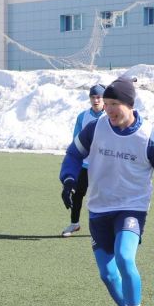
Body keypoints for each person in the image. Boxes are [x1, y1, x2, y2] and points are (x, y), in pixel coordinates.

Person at [59, 76, 154, 306]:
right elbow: (73, 154)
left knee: (125, 258)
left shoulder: (148, 137)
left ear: (130, 104)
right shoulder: (96, 128)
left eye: (116, 104)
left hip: (131, 208)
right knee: (108, 275)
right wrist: (68, 180)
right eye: (107, 103)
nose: (110, 109)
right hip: (99, 208)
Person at [62, 84, 106, 237]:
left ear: (104, 99)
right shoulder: (82, 116)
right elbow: (76, 139)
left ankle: (104, 227)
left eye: (99, 97)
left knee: (102, 196)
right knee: (78, 194)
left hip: (102, 165)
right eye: (93, 97)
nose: (96, 100)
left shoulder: (109, 117)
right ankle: (74, 224)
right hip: (85, 164)